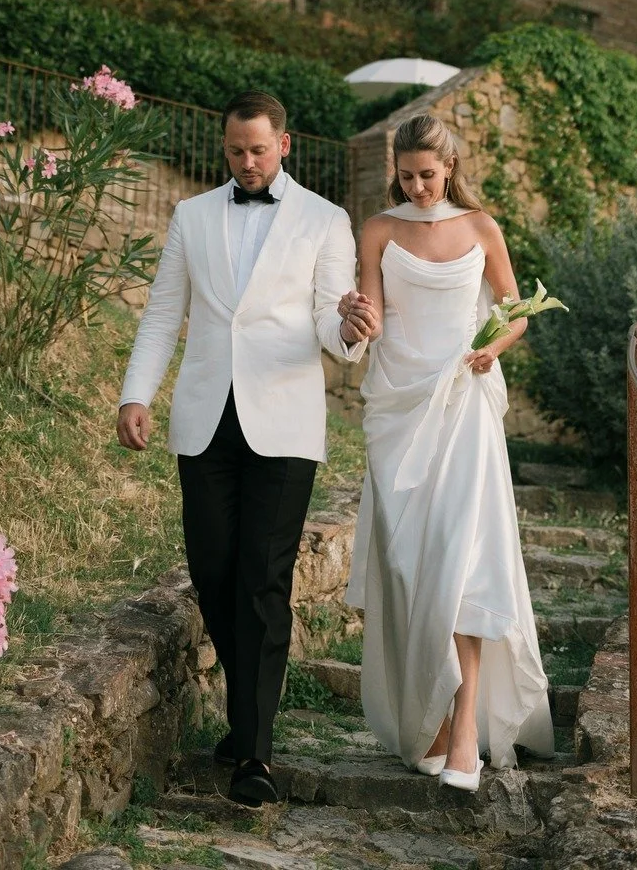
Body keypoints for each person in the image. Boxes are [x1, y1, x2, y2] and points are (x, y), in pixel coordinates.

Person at [116, 89, 380, 807]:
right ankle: (246, 713)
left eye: (259, 150)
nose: (247, 162)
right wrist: (136, 395)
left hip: (285, 424)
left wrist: (349, 328)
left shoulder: (325, 220)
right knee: (213, 572)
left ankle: (254, 753)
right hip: (204, 419)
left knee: (262, 580)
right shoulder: (192, 216)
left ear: (283, 145)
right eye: (236, 151)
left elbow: (331, 323)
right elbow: (163, 313)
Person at [343, 112, 553, 791]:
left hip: (464, 405)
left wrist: (493, 349)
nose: (417, 187)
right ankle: (429, 717)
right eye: (406, 176)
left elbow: (515, 312)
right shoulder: (378, 230)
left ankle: (464, 730)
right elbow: (372, 320)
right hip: (400, 411)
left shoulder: (482, 228)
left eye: (427, 175)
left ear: (450, 167)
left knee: (466, 564)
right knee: (409, 568)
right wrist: (354, 319)